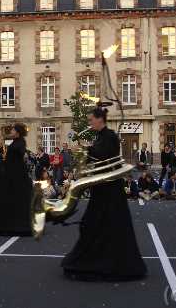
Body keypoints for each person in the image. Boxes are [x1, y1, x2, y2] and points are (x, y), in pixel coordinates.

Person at [62, 106, 146, 281]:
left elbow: (105, 154)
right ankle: (93, 258)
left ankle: (106, 262)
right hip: (102, 187)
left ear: (100, 119)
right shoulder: (100, 136)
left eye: (91, 119)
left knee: (103, 224)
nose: (89, 122)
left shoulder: (110, 136)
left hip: (110, 189)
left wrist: (87, 149)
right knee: (93, 224)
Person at [0, 123, 33, 236]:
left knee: (14, 201)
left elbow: (18, 156)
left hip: (15, 177)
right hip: (11, 176)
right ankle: (5, 226)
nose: (11, 132)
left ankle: (15, 226)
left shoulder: (20, 143)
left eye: (13, 130)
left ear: (17, 133)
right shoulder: (16, 142)